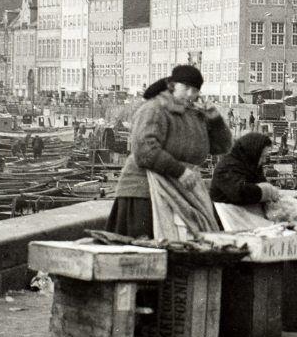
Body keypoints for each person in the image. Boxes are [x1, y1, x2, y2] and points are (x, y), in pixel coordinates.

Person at [108, 64, 232, 237]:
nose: (190, 94)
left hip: (182, 190)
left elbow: (221, 147)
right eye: (186, 88)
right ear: (173, 86)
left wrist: (215, 118)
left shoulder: (195, 115)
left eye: (195, 90)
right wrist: (180, 171)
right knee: (150, 246)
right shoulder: (154, 109)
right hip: (145, 191)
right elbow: (144, 151)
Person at [209, 132, 282, 206]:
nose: (264, 160)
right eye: (262, 156)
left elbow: (261, 183)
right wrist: (265, 191)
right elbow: (239, 192)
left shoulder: (251, 164)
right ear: (252, 152)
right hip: (225, 214)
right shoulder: (226, 167)